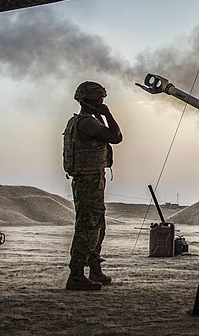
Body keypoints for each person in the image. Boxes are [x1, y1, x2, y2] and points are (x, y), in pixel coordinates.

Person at [62, 81, 123, 290]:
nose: (102, 103)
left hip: (90, 179)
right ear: (92, 101)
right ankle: (76, 274)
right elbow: (116, 137)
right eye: (100, 100)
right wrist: (107, 114)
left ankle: (94, 268)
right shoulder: (87, 123)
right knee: (87, 227)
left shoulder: (79, 121)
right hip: (89, 181)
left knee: (97, 225)